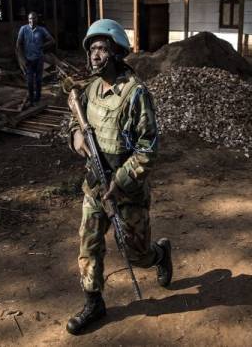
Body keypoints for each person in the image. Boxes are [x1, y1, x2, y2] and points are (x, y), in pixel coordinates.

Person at [66, 19, 173, 335]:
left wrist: (121, 180)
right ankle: (94, 302)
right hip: (94, 185)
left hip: (127, 189)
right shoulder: (89, 89)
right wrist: (76, 137)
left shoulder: (135, 93)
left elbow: (149, 147)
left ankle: (160, 254)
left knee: (136, 254)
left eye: (101, 48)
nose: (94, 56)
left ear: (115, 52)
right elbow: (73, 121)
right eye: (91, 49)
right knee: (89, 243)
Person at [16, 12, 55, 105]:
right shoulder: (23, 29)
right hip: (28, 60)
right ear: (28, 19)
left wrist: (42, 46)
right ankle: (31, 99)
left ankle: (37, 99)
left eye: (34, 18)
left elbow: (52, 41)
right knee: (29, 81)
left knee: (38, 80)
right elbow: (18, 44)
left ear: (37, 19)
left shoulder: (41, 30)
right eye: (30, 19)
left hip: (39, 59)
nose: (32, 21)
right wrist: (22, 59)